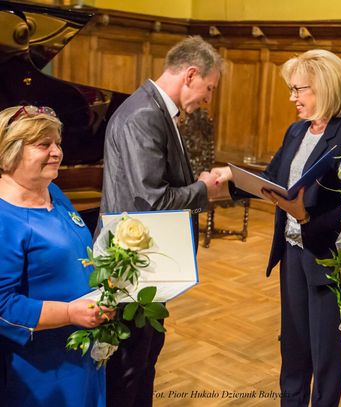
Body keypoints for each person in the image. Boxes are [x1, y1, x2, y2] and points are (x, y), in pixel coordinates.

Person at [213, 49, 341, 406]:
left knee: (327, 354)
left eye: (299, 89)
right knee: (294, 346)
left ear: (324, 88)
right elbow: (272, 179)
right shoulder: (297, 129)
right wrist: (231, 177)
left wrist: (303, 217)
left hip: (331, 261)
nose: (292, 98)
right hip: (294, 252)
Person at [100, 36, 223, 407]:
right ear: (190, 74)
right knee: (129, 367)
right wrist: (203, 189)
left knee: (145, 357)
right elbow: (151, 201)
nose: (207, 99)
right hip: (132, 266)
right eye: (208, 88)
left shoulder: (154, 110)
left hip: (145, 263)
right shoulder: (145, 115)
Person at [0, 105, 114, 406]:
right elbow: (3, 306)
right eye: (44, 144)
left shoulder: (52, 192)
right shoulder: (4, 218)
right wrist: (69, 313)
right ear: (10, 150)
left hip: (80, 352)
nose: (57, 152)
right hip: (42, 369)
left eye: (58, 143)